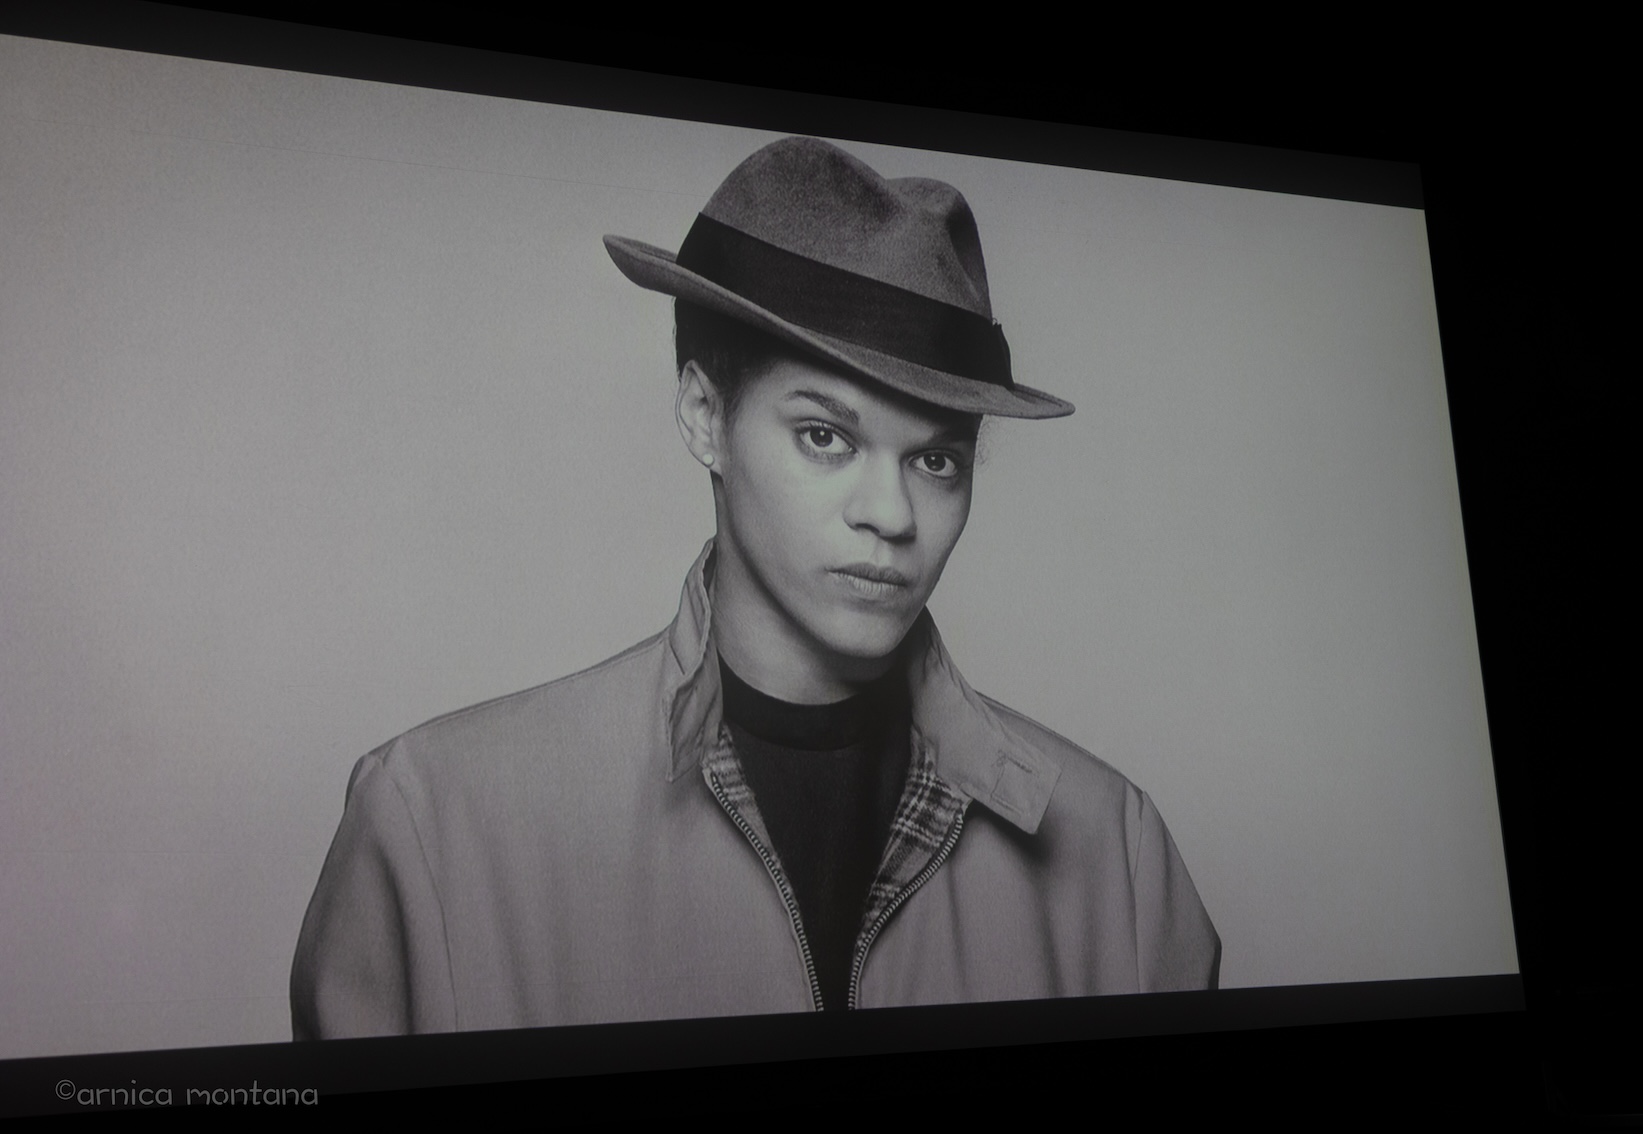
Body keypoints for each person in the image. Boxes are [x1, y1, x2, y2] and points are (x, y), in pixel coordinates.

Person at [290, 136, 1219, 1038]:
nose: (890, 514)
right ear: (704, 417)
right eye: (826, 436)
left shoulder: (1113, 855)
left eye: (937, 458)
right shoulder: (437, 827)